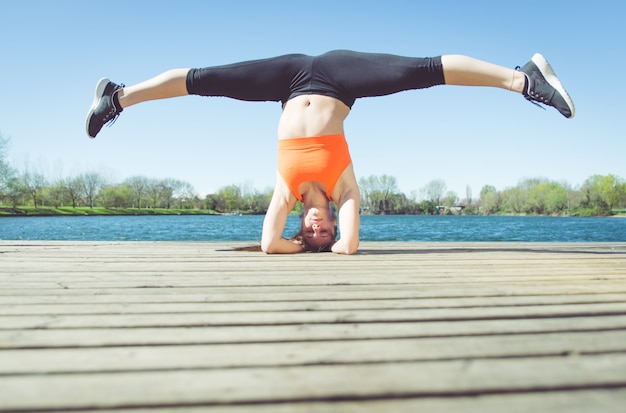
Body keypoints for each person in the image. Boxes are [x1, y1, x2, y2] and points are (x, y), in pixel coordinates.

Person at [86, 50, 575, 254]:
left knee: (204, 82)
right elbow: (348, 249)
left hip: (288, 78)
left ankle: (117, 96)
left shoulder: (286, 192)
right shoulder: (345, 191)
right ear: (334, 224)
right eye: (326, 233)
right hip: (341, 79)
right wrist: (330, 245)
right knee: (421, 71)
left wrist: (293, 246)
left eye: (311, 233)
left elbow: (266, 245)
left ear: (302, 222)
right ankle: (523, 78)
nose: (320, 230)